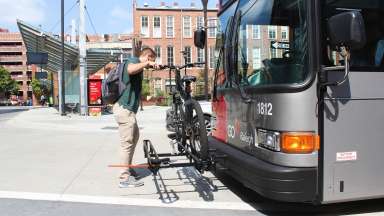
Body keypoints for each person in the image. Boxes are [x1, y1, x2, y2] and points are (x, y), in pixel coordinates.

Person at [113, 47, 159, 188]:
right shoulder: (133, 61)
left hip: (129, 111)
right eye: (152, 60)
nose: (151, 64)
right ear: (147, 56)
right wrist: (146, 64)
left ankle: (127, 168)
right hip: (124, 110)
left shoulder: (139, 69)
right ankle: (124, 177)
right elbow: (130, 69)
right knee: (127, 143)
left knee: (134, 137)